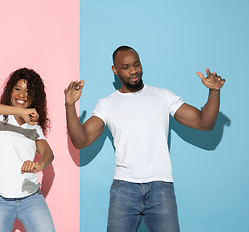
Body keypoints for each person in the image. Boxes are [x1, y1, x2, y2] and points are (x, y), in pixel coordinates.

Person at [64, 46, 225, 232]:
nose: (133, 70)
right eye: (125, 67)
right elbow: (81, 141)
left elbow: (204, 123)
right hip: (123, 188)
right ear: (115, 70)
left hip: (161, 187)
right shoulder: (107, 104)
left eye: (136, 64)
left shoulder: (163, 96)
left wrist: (214, 91)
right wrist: (70, 105)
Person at [0, 67, 55, 232]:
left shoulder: (33, 127)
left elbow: (48, 153)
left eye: (28, 91)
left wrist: (39, 166)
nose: (22, 94)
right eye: (17, 89)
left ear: (34, 97)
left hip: (31, 198)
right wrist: (19, 111)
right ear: (10, 90)